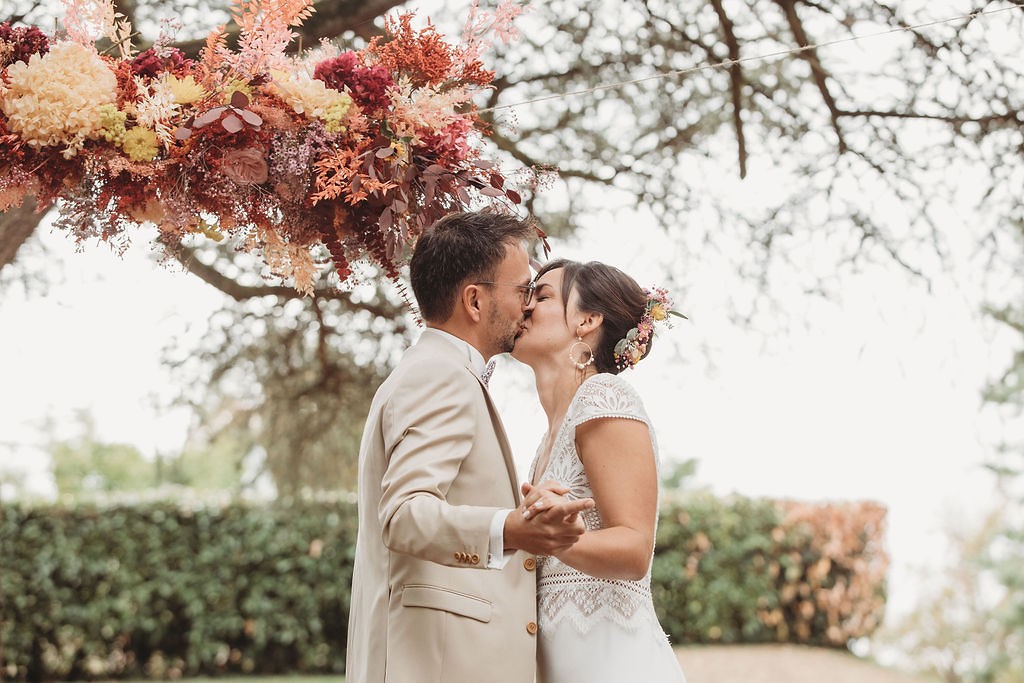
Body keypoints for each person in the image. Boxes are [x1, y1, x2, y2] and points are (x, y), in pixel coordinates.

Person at [345, 211, 595, 683]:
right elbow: (403, 515)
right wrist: (509, 529)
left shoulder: (431, 370)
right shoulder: (441, 376)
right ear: (475, 301)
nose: (528, 306)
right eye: (523, 290)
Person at [511, 258, 688, 682]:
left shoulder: (603, 396)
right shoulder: (549, 435)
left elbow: (633, 550)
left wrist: (554, 539)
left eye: (543, 295)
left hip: (614, 664)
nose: (526, 306)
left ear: (587, 320)